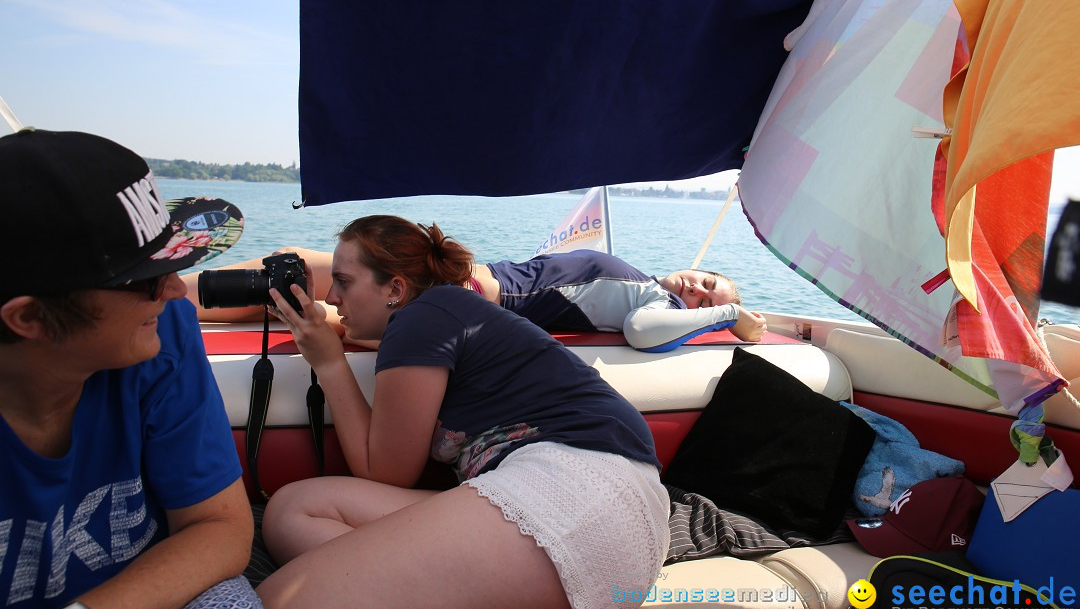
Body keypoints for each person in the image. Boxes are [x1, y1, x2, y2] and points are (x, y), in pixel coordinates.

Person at [255, 215, 670, 609]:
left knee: (282, 603)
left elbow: (386, 471)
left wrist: (329, 364)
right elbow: (355, 328)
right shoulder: (441, 312)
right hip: (622, 528)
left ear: (396, 288)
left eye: (343, 281)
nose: (331, 298)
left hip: (578, 495)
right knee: (293, 510)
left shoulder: (422, 319)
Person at [0, 129, 268, 609]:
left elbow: (220, 527)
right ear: (31, 319)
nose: (173, 289)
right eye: (145, 278)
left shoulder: (162, 332)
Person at [187, 245, 768, 352]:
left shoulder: (658, 311)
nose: (698, 285)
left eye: (709, 292)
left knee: (305, 270)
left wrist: (731, 315)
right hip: (461, 286)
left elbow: (643, 334)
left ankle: (173, 295)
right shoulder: (643, 276)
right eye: (705, 275)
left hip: (462, 295)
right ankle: (178, 299)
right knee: (299, 284)